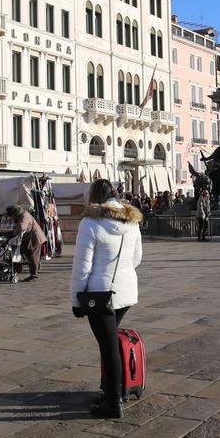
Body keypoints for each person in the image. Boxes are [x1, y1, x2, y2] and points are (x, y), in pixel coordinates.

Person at [69, 179, 143, 418]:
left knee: (109, 346)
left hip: (100, 295)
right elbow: (137, 258)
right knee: (109, 342)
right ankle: (113, 391)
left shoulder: (91, 222)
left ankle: (113, 403)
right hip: (127, 291)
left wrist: (76, 300)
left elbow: (82, 267)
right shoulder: (131, 221)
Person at [6, 204, 48, 281]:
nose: (11, 218)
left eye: (11, 216)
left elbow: (22, 227)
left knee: (33, 256)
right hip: (28, 238)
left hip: (35, 238)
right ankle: (18, 269)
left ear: (14, 213)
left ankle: (34, 275)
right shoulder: (20, 215)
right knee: (23, 252)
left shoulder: (24, 215)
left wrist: (12, 233)